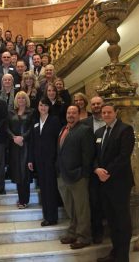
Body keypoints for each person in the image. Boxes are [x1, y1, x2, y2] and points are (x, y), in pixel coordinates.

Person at [94, 103, 135, 262]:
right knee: (111, 220)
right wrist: (97, 169)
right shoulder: (99, 132)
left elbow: (124, 156)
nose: (106, 115)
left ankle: (123, 257)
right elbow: (95, 156)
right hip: (104, 183)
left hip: (119, 183)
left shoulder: (125, 130)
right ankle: (114, 253)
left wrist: (107, 172)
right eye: (103, 112)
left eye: (108, 112)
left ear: (115, 113)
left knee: (122, 221)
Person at [57, 105, 95, 249]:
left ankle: (84, 237)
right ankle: (72, 233)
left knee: (81, 208)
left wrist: (83, 174)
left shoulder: (84, 130)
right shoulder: (63, 129)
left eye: (74, 113)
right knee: (71, 208)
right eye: (68, 112)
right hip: (63, 175)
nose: (71, 115)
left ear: (79, 115)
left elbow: (88, 155)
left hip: (78, 176)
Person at [28, 97, 61, 226]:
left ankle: (52, 218)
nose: (43, 108)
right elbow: (32, 142)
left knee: (51, 189)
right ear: (38, 107)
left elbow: (58, 142)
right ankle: (46, 215)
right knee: (43, 188)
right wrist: (31, 159)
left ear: (49, 107)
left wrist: (57, 159)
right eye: (41, 105)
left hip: (51, 160)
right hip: (39, 161)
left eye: (46, 105)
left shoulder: (54, 120)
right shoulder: (35, 122)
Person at [81, 96, 105, 244]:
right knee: (94, 202)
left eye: (98, 104)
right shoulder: (85, 123)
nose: (96, 106)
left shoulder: (111, 120)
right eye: (94, 104)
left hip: (110, 170)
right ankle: (97, 232)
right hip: (91, 169)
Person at [7, 91, 34, 209]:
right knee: (17, 173)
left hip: (26, 145)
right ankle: (21, 198)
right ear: (16, 100)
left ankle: (25, 200)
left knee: (25, 174)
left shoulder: (32, 112)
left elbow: (33, 128)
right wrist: (14, 137)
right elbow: (6, 127)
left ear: (26, 100)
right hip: (14, 146)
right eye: (19, 98)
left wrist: (23, 137)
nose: (21, 100)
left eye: (23, 98)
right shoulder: (11, 112)